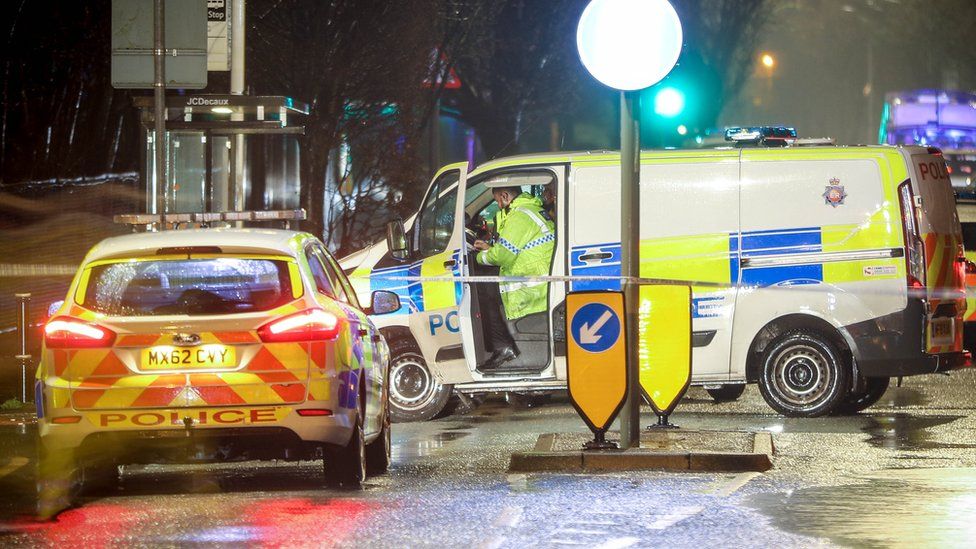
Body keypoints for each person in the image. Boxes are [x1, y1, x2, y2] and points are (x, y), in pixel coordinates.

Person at [473, 185, 556, 369]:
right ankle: (502, 344)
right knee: (486, 283)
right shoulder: (530, 210)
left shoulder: (520, 216)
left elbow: (502, 256)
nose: (498, 205)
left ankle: (502, 346)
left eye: (497, 200)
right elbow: (509, 248)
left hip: (533, 282)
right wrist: (491, 250)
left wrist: (478, 257)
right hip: (538, 273)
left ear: (504, 195)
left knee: (480, 286)